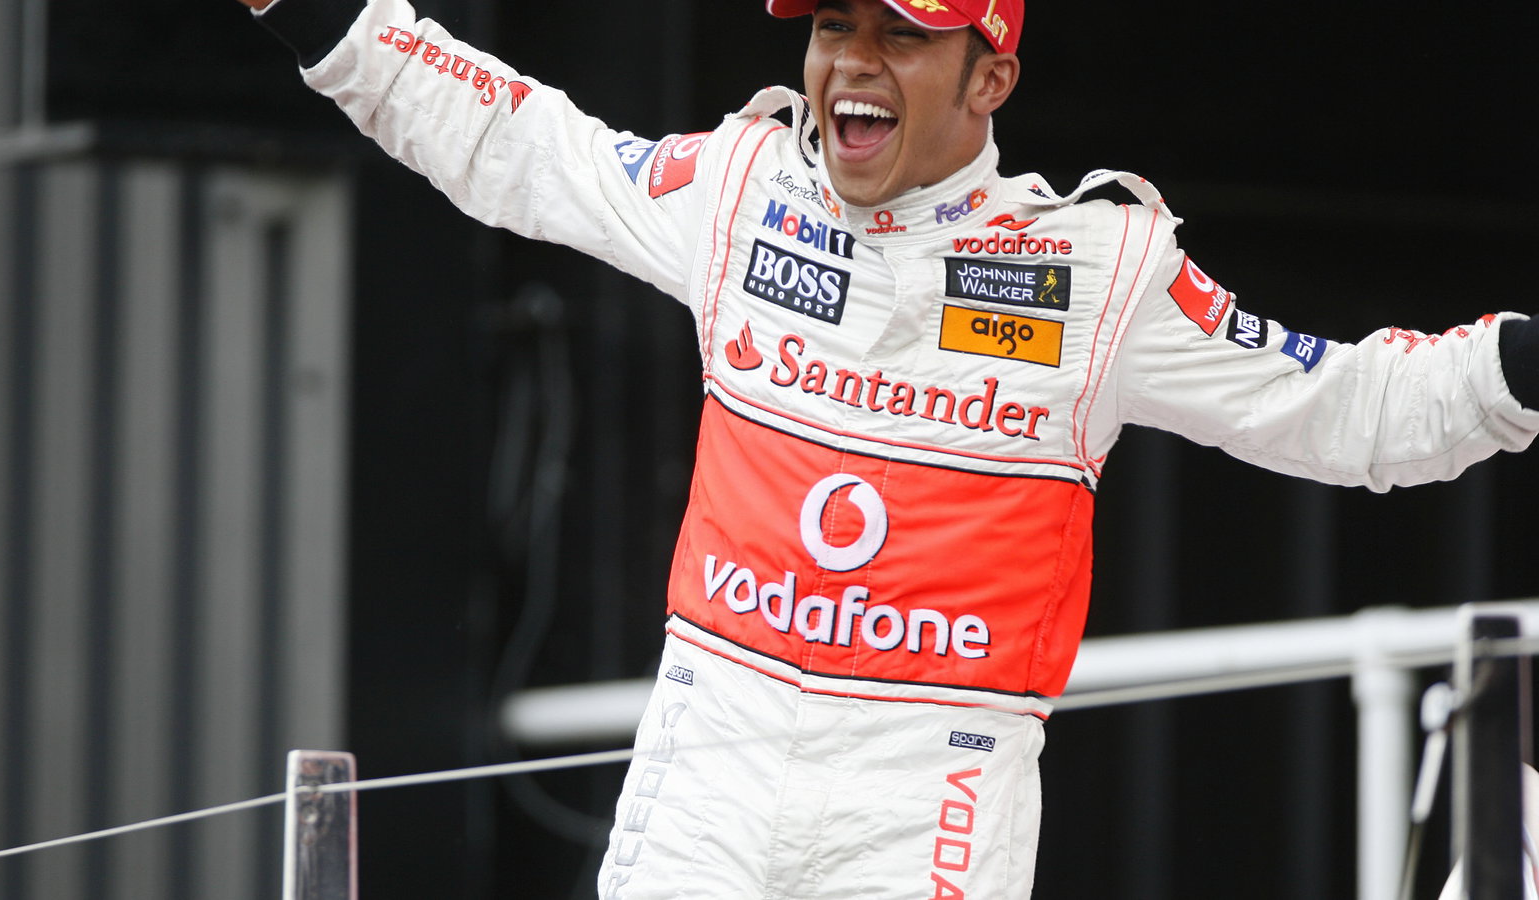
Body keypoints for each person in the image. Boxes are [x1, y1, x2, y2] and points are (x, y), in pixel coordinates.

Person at [237, 0, 1539, 896]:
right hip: (710, 762)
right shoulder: (743, 191)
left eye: (903, 33)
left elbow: (1347, 410)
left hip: (932, 797)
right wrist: (320, 15)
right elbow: (518, 145)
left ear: (991, 76)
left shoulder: (1098, 269)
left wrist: (1513, 367)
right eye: (831, 23)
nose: (853, 59)